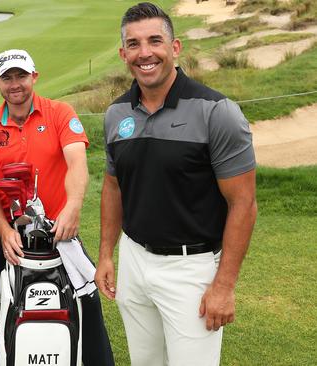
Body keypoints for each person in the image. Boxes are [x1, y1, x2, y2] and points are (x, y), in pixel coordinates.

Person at [94, 3, 257, 366]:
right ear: (123, 54)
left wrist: (224, 286)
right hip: (134, 261)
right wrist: (107, 253)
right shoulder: (117, 114)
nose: (145, 52)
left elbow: (243, 204)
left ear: (175, 47)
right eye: (133, 44)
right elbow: (114, 186)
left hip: (191, 268)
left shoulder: (217, 112)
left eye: (155, 40)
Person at [0, 49, 114, 366]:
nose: (15, 84)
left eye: (21, 76)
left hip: (59, 231)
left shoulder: (59, 113)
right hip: (8, 235)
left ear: (34, 76)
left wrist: (73, 206)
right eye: (7, 77)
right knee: (14, 307)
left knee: (85, 303)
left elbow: (77, 162)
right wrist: (3, 230)